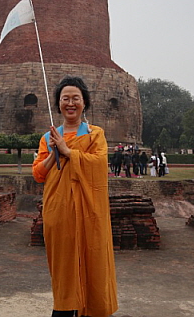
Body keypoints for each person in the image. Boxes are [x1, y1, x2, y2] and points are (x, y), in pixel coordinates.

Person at [32, 76, 118, 317]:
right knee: (64, 267)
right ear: (58, 104)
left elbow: (100, 165)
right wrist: (54, 151)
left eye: (75, 98)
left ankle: (92, 308)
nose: (70, 103)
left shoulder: (94, 134)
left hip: (90, 211)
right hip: (59, 211)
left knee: (93, 260)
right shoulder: (48, 137)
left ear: (84, 103)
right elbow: (39, 174)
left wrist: (69, 151)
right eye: (65, 99)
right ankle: (64, 307)